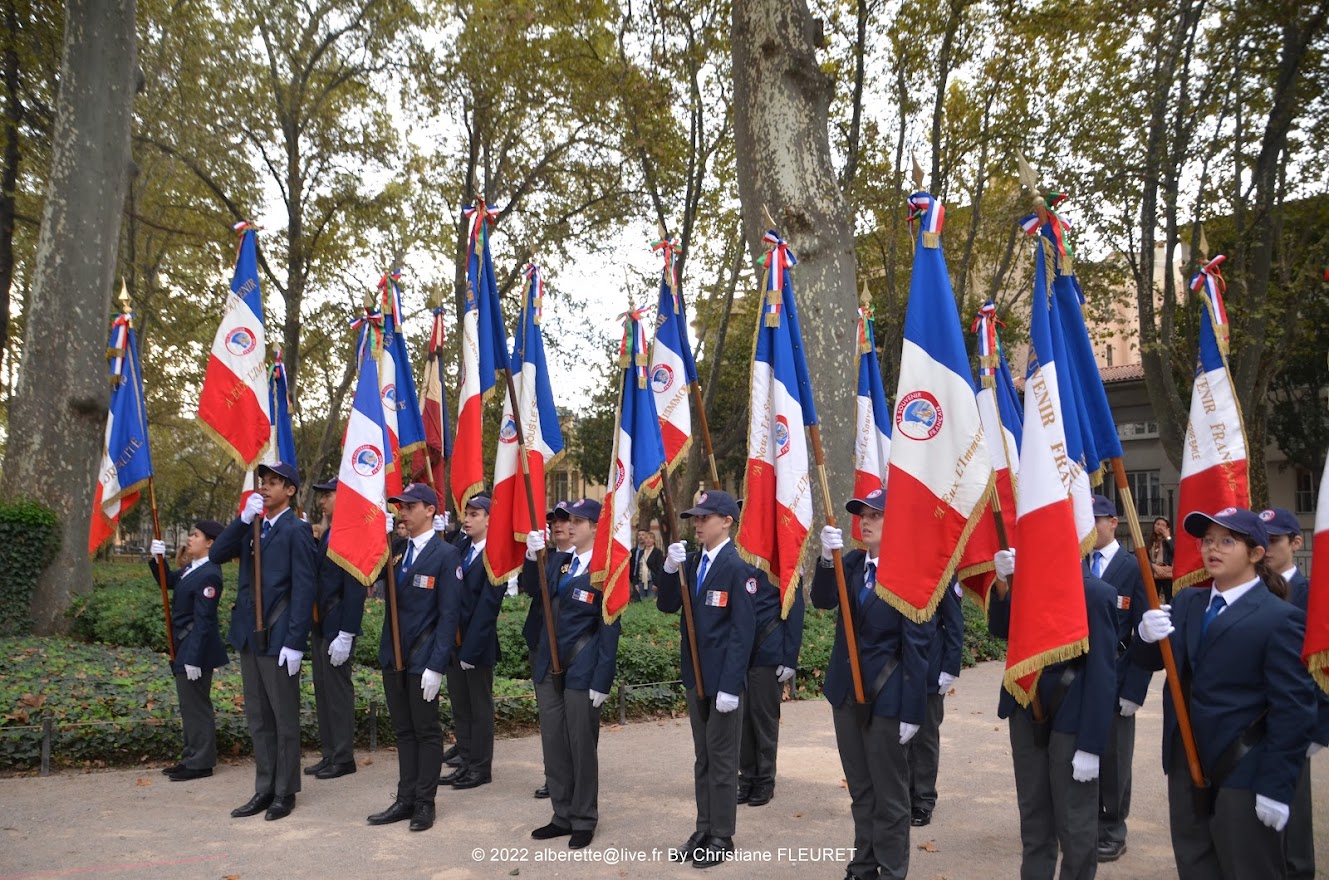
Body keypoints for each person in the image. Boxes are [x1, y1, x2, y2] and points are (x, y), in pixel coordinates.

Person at [1134, 506, 1316, 879]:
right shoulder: (1188, 603)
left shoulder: (1279, 618)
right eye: (1207, 541)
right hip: (1187, 762)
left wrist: (1277, 786)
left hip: (1244, 771)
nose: (1212, 549)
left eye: (1227, 541)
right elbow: (1153, 661)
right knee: (1195, 867)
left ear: (1256, 553)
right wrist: (1144, 635)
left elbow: (1293, 709)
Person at [814, 488, 931, 880]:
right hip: (846, 694)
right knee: (861, 790)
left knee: (891, 793)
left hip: (888, 697)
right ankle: (863, 865)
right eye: (861, 515)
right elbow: (822, 600)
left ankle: (892, 869)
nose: (865, 522)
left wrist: (914, 711)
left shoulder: (910, 573)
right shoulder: (848, 563)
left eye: (875, 515)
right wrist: (824, 562)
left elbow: (917, 649)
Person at [988, 544, 1117, 880]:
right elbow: (1002, 629)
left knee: (1075, 826)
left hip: (1072, 719)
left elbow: (1102, 673)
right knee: (1034, 820)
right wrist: (1003, 583)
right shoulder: (1025, 582)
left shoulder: (1095, 593)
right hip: (1025, 707)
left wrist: (1092, 744)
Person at [211, 461, 316, 821]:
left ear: (290, 491)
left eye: (274, 483)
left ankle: (285, 791)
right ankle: (264, 787)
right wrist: (242, 520)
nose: (266, 487)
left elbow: (304, 588)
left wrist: (295, 641)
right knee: (258, 717)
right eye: (264, 482)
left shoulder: (296, 530)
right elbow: (216, 554)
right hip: (249, 635)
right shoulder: (253, 524)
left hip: (278, 636)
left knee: (283, 718)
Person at [658, 490, 756, 869]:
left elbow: (741, 632)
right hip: (694, 677)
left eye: (704, 517)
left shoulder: (737, 566)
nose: (697, 523)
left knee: (722, 758)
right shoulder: (694, 562)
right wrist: (669, 569)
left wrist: (731, 687)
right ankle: (704, 826)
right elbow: (668, 605)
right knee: (704, 758)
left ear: (727, 520)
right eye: (695, 518)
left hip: (722, 683)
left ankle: (722, 834)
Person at [519, 498, 621, 849]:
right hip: (549, 665)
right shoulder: (561, 562)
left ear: (595, 527)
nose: (572, 526)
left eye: (580, 520)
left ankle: (584, 818)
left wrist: (602, 679)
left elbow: (610, 627)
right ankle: (561, 814)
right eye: (570, 521)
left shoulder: (606, 569)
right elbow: (534, 590)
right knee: (554, 745)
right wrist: (533, 558)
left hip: (582, 667)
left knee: (580, 745)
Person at [366, 483, 462, 833]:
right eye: (399, 506)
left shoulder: (445, 555)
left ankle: (425, 802)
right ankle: (405, 798)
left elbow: (449, 616)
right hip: (395, 656)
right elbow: (367, 574)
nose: (402, 512)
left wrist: (437, 665)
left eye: (409, 506)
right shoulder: (395, 550)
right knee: (404, 731)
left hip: (424, 659)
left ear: (430, 511)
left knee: (425, 731)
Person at [1259, 507, 1326, 880]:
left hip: (1296, 718)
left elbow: (1322, 660)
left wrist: (1320, 726)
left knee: (1294, 810)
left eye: (1274, 541)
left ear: (1295, 543)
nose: (1266, 548)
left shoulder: (1311, 594)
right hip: (1256, 718)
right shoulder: (1252, 588)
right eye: (1261, 540)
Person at [1084, 495, 1152, 863]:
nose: (1091, 526)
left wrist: (1135, 688)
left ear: (1113, 522)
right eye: (1086, 518)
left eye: (1097, 519)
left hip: (1116, 675)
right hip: (1078, 677)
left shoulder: (1132, 565)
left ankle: (1111, 829)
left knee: (1113, 759)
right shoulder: (1074, 562)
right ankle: (1082, 824)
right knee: (1078, 753)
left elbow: (1145, 631)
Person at [150, 519, 227, 782]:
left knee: (197, 705)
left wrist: (193, 658)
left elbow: (204, 621)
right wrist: (157, 559)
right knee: (188, 705)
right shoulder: (191, 569)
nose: (189, 539)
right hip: (185, 645)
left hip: (197, 649)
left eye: (195, 535)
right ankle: (191, 756)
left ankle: (202, 762)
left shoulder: (210, 574)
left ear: (210, 543)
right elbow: (168, 582)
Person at [441, 492, 504, 790]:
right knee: (461, 706)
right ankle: (464, 761)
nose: (467, 519)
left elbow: (487, 607)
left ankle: (480, 767)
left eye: (475, 514)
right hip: (453, 640)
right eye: (466, 513)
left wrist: (471, 648)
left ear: (490, 519)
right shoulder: (461, 545)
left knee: (479, 709)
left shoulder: (494, 555)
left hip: (476, 644)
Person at [304, 477, 366, 782]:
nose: (322, 501)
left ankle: (343, 756)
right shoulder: (329, 533)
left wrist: (347, 632)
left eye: (327, 495)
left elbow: (355, 586)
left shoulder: (349, 534)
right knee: (324, 692)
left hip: (337, 625)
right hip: (321, 624)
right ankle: (329, 752)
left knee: (338, 693)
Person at [738, 564, 804, 808]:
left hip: (768, 653)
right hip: (739, 655)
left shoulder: (781, 564)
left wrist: (789, 657)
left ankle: (765, 780)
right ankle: (747, 778)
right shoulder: (739, 562)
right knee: (742, 720)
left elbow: (795, 612)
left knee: (763, 720)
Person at [907, 577, 963, 828]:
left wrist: (950, 666)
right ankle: (902, 794)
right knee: (898, 735)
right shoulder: (894, 564)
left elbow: (953, 620)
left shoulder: (940, 568)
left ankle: (923, 799)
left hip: (929, 666)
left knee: (925, 736)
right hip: (899, 666)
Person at [530, 500, 571, 801]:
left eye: (565, 519)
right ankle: (553, 777)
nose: (557, 525)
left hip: (574, 654)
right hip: (544, 648)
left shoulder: (590, 559)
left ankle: (573, 778)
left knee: (573, 723)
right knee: (551, 720)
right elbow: (531, 586)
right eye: (553, 520)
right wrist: (532, 557)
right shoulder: (549, 557)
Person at [630, 528, 663, 602]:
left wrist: (656, 583)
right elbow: (637, 567)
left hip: (652, 582)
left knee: (651, 602)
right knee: (642, 602)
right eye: (646, 538)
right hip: (641, 581)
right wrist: (636, 583)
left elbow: (659, 569)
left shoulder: (657, 552)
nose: (648, 540)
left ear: (654, 540)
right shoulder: (641, 552)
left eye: (650, 538)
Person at [1149, 516, 1174, 603]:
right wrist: (1154, 566)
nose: (1160, 527)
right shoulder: (1148, 540)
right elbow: (1142, 557)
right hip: (1153, 573)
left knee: (1169, 599)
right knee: (1152, 599)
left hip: (1166, 573)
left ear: (1167, 528)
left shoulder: (1170, 540)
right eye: (1158, 524)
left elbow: (1176, 552)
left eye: (1163, 525)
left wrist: (1168, 537)